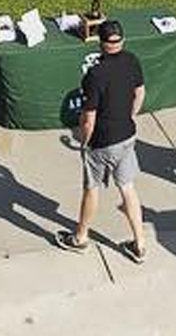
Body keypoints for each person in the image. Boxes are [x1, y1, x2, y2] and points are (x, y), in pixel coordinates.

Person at [56, 18, 148, 263]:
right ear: (122, 41)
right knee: (128, 189)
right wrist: (130, 115)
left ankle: (80, 238)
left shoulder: (95, 74)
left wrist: (84, 143)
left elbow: (88, 117)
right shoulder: (132, 61)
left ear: (100, 43)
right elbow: (140, 93)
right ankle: (139, 245)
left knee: (91, 189)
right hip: (127, 135)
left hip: (102, 143)